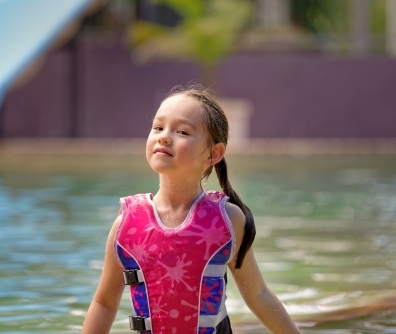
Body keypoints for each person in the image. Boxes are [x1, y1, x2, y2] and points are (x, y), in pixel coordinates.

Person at [82, 84, 301, 334]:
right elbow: (104, 302)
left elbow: (258, 295)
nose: (164, 136)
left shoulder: (227, 221)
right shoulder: (127, 226)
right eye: (158, 127)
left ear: (213, 154)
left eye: (183, 132)